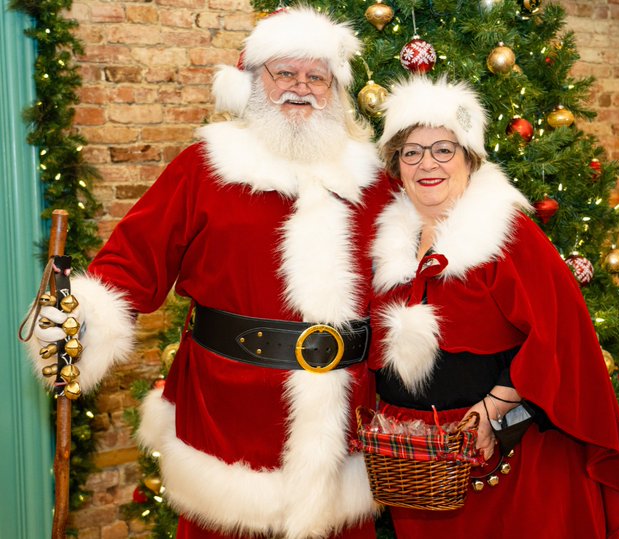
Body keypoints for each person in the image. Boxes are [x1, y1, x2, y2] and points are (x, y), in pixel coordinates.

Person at [26, 7, 391, 539]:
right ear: (252, 82)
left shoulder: (371, 180)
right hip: (226, 414)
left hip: (343, 423)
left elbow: (407, 280)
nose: (301, 88)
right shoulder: (206, 166)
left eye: (317, 77)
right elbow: (132, 260)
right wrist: (77, 321)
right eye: (284, 73)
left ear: (336, 90)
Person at [367, 77, 619, 538]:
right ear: (396, 165)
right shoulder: (383, 244)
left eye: (443, 149)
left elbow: (559, 334)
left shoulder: (508, 234)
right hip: (419, 474)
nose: (426, 164)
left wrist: (492, 408)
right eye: (411, 152)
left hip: (510, 465)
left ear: (469, 158)